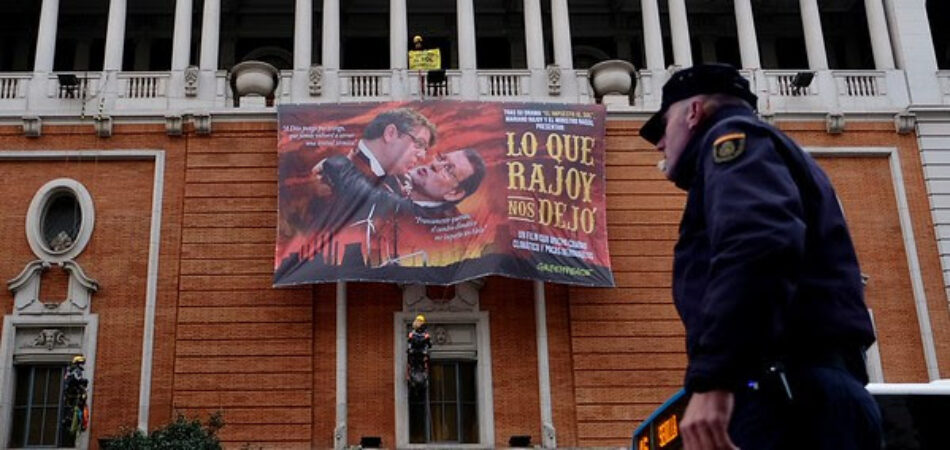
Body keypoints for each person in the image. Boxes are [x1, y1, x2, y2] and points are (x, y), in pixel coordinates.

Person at [640, 64, 882, 450]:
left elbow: (757, 244)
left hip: (783, 394)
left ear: (693, 112)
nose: (659, 144)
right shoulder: (777, 151)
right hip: (811, 388)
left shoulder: (733, 139)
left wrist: (713, 382)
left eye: (663, 126)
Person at [319, 148, 486, 219]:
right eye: (441, 158)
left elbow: (369, 197)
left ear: (454, 193)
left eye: (448, 169)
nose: (435, 165)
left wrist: (336, 163)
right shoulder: (396, 180)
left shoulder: (430, 217)